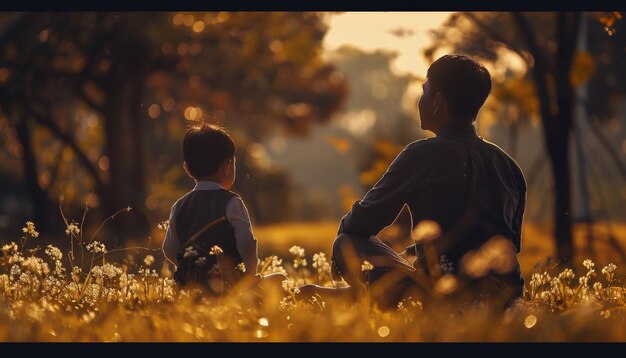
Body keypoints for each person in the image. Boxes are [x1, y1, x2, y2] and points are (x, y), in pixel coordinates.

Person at [329, 54, 527, 310]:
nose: (419, 99)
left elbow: (361, 224)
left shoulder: (420, 155)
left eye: (424, 90)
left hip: (441, 298)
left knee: (346, 243)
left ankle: (359, 298)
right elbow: (508, 247)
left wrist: (342, 242)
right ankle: (346, 297)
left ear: (437, 102)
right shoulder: (510, 168)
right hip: (505, 301)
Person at [162, 123, 284, 295]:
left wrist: (190, 268)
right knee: (280, 279)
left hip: (188, 289)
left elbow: (169, 249)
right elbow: (247, 244)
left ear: (187, 169)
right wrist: (248, 276)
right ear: (228, 166)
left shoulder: (179, 206)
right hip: (229, 287)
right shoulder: (232, 203)